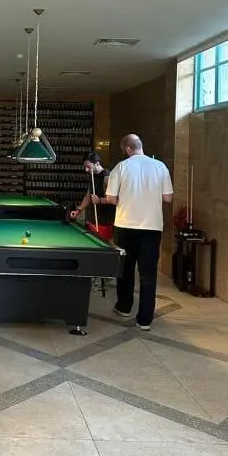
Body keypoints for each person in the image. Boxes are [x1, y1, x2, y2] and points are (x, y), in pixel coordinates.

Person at [105, 134, 173, 331]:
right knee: (148, 275)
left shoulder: (121, 167)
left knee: (125, 270)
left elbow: (110, 199)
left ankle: (124, 307)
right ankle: (144, 320)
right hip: (152, 228)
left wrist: (126, 198)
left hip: (125, 225)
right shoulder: (160, 166)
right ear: (140, 146)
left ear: (127, 149)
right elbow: (168, 198)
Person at [69, 152, 115, 240]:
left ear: (97, 163)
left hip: (105, 221)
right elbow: (88, 197)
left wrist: (100, 200)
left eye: (88, 167)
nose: (86, 170)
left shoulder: (107, 177)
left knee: (102, 245)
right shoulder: (92, 175)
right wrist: (79, 210)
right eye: (85, 167)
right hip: (93, 219)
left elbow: (114, 199)